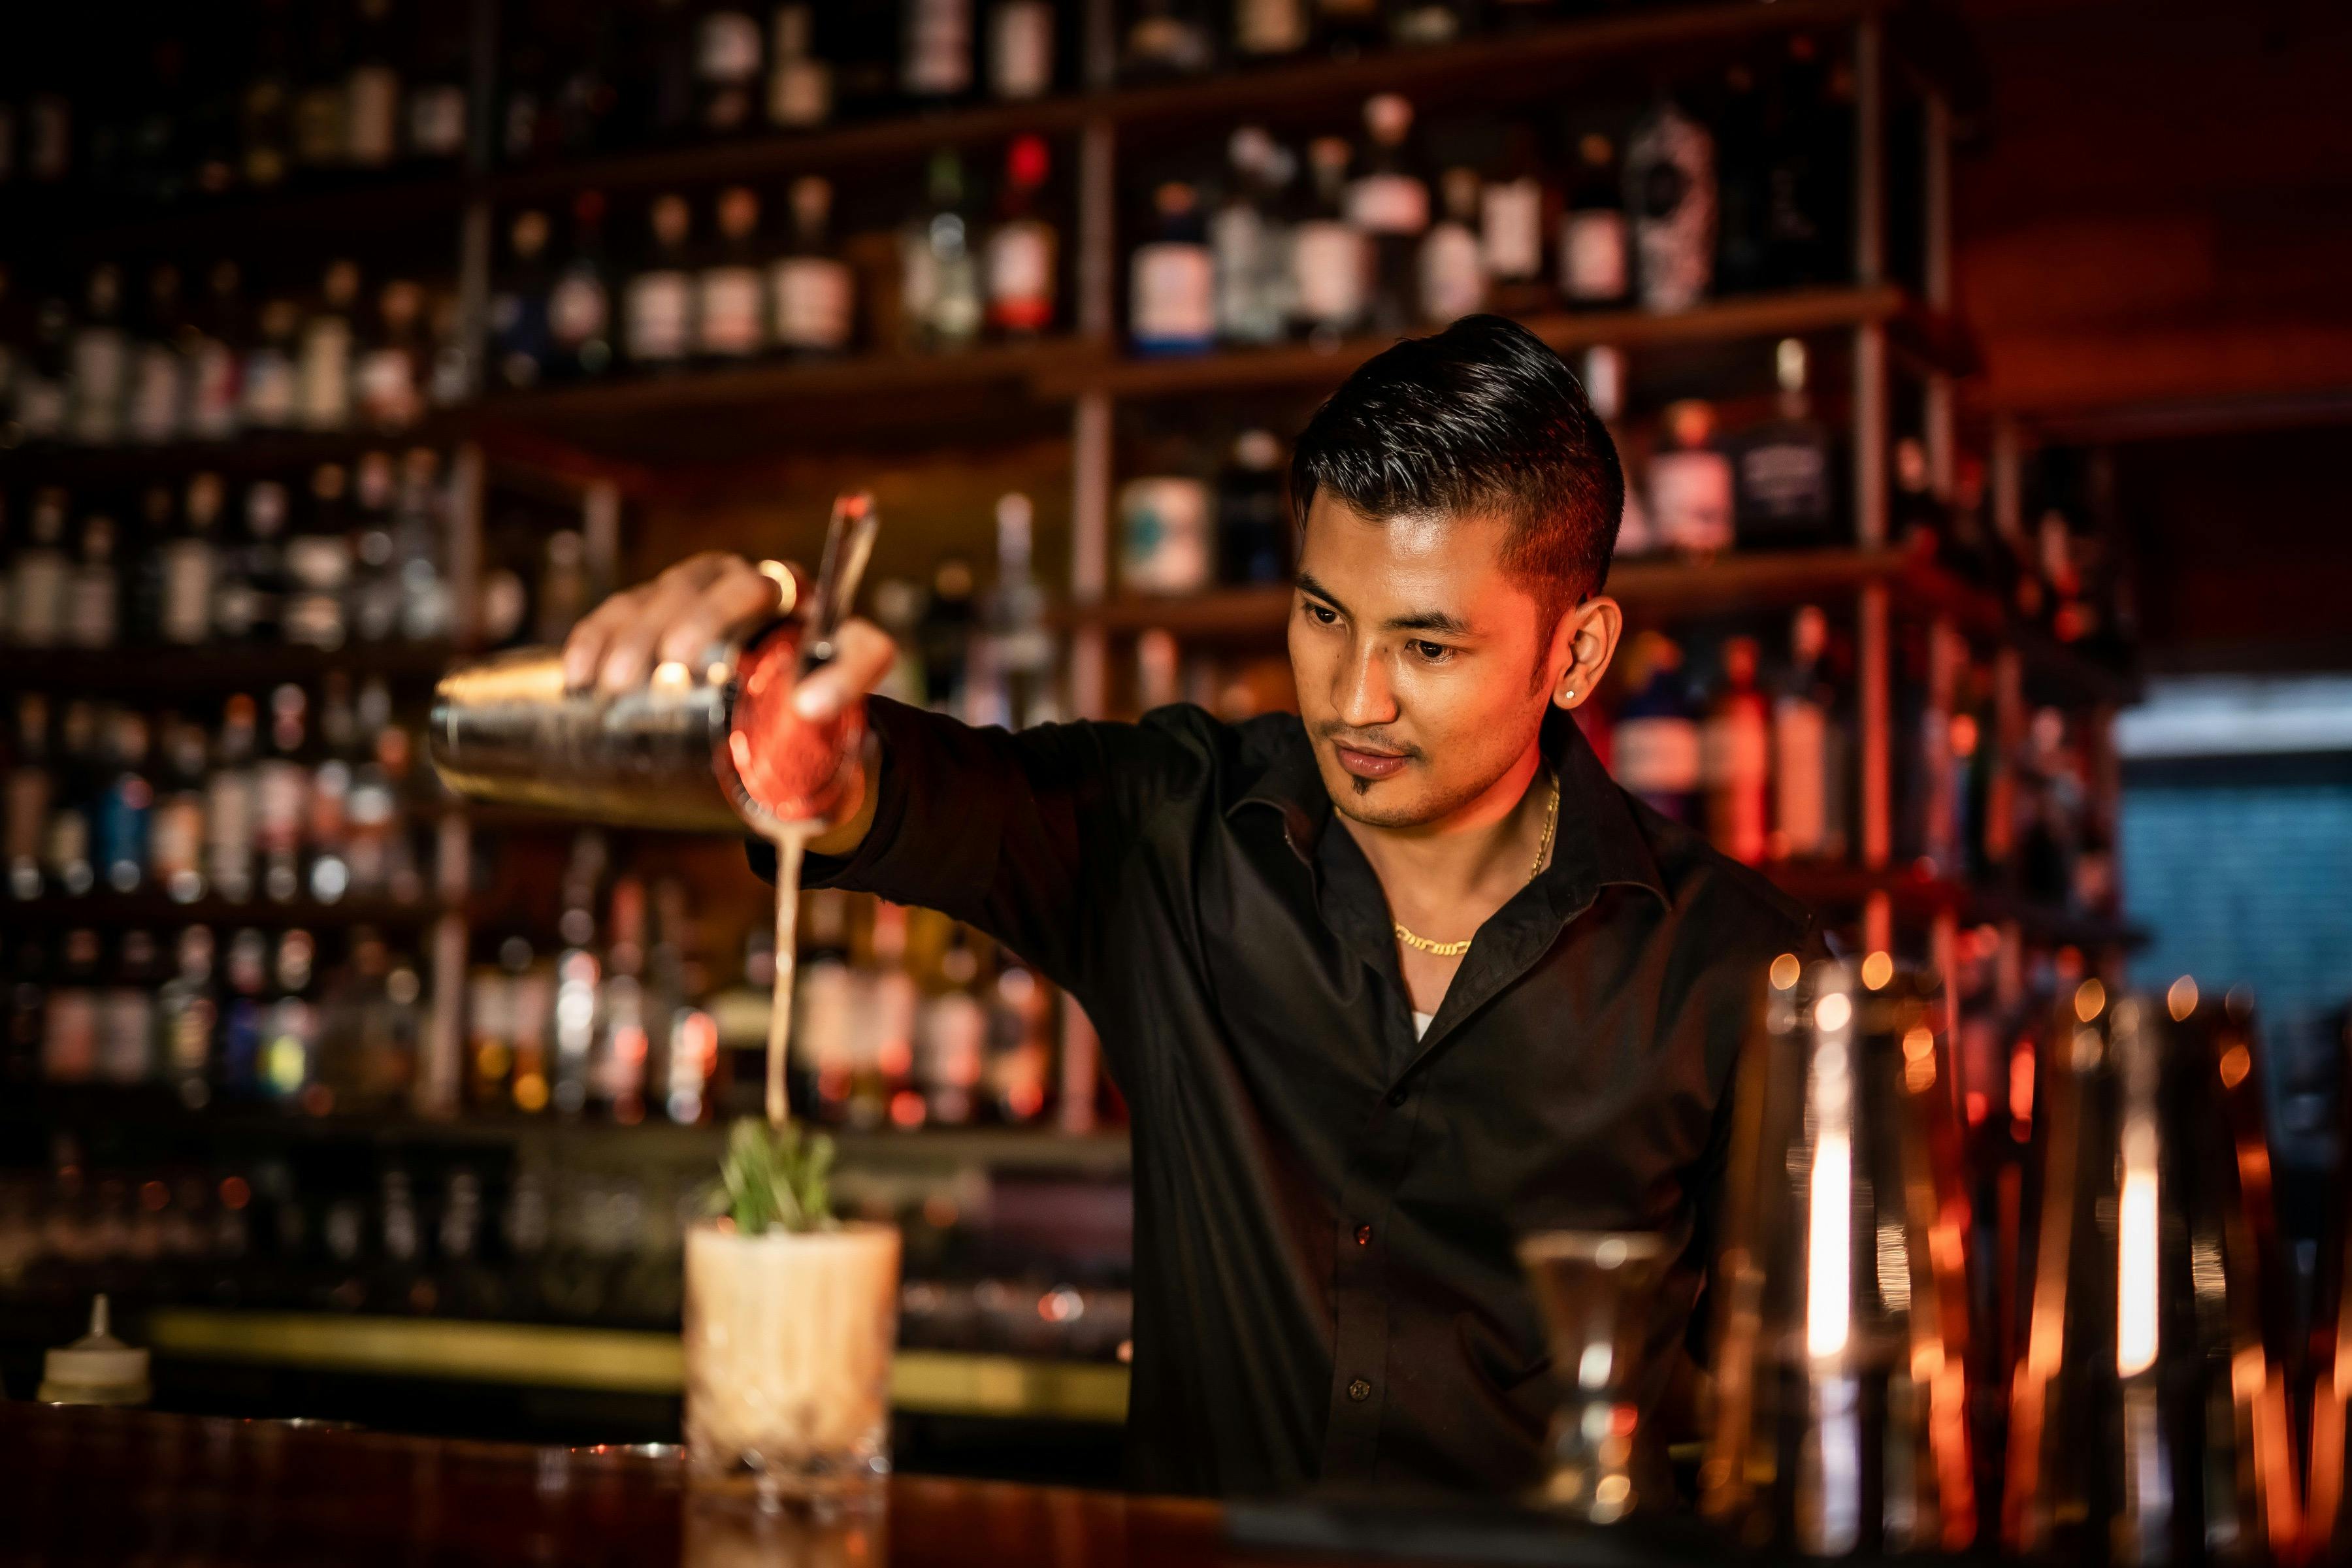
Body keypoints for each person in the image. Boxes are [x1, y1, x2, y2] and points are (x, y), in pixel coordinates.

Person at [562, 315, 1815, 1497]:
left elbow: (1790, 1416)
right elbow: (909, 794)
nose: (1356, 699)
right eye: (1324, 616)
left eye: (1428, 648)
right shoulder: (1180, 831)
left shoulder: (1733, 970)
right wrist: (779, 721)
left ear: (1577, 653)